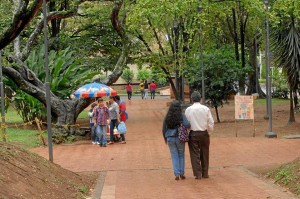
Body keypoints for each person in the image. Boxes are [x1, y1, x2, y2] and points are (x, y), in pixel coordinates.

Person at [185, 91, 214, 179]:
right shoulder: (205, 109)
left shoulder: (188, 110)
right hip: (204, 133)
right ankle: (205, 173)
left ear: (191, 99)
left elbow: (186, 123)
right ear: (200, 99)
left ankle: (197, 174)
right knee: (205, 153)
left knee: (194, 154)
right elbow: (211, 122)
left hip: (193, 133)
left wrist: (188, 132)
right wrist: (209, 132)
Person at [162, 100, 190, 180]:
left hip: (170, 137)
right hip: (180, 137)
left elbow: (164, 129)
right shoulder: (182, 115)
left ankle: (176, 174)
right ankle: (182, 173)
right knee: (181, 155)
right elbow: (187, 125)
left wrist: (165, 138)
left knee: (174, 155)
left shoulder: (167, 116)